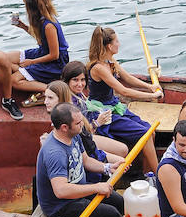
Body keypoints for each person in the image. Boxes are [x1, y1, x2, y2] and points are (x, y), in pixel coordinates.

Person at [86, 26, 160, 173]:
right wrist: (151, 96)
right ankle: (158, 173)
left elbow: (127, 78)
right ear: (109, 46)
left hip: (114, 106)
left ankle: (148, 173)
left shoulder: (110, 60)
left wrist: (149, 87)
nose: (119, 44)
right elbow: (123, 90)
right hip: (103, 112)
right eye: (117, 41)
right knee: (145, 133)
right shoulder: (99, 67)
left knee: (151, 131)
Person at [35, 102, 123, 217]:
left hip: (78, 189)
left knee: (119, 201)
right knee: (111, 214)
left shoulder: (74, 134)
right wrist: (96, 187)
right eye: (78, 123)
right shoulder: (55, 153)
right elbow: (61, 191)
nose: (82, 125)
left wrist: (107, 167)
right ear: (64, 127)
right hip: (61, 205)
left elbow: (85, 161)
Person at [41, 81, 124, 183]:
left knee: (123, 153)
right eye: (45, 97)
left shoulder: (69, 119)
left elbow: (85, 137)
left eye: (50, 98)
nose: (45, 102)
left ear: (61, 98)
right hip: (88, 153)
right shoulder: (68, 116)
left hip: (90, 152)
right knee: (121, 161)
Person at [9, 0, 70, 95]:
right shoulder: (42, 20)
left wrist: (31, 62)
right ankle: (26, 72)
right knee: (5, 59)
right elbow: (42, 40)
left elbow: (54, 55)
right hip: (43, 52)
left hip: (55, 63)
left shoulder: (49, 25)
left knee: (14, 80)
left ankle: (53, 90)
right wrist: (23, 26)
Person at [61, 61, 128, 159]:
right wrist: (97, 123)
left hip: (89, 134)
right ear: (67, 81)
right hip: (82, 141)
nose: (80, 84)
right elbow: (79, 133)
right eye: (75, 80)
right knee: (122, 150)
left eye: (83, 80)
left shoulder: (79, 95)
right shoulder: (70, 104)